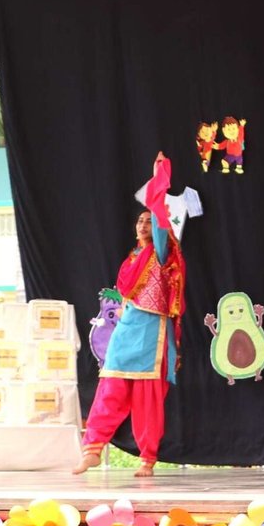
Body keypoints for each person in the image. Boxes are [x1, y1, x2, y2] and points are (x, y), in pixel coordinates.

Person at [74, 153, 188, 477]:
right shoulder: (132, 259)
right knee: (110, 387)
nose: (143, 224)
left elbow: (160, 218)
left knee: (147, 398)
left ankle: (147, 458)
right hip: (127, 330)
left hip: (152, 332)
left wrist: (158, 179)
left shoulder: (162, 252)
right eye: (140, 221)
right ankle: (93, 449)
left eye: (148, 221)